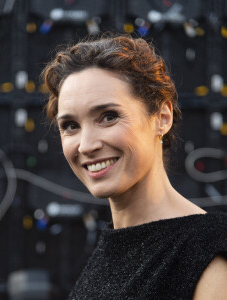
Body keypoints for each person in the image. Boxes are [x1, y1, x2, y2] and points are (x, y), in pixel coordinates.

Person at [41, 34, 227, 299]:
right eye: (70, 126)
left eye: (108, 117)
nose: (86, 145)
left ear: (162, 118)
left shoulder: (211, 252)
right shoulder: (110, 248)